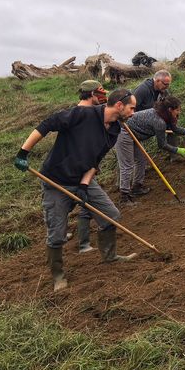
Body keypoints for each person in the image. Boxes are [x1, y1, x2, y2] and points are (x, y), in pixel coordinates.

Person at [13, 89, 138, 292]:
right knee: (57, 233)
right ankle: (58, 276)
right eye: (132, 108)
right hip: (56, 181)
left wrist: (84, 185)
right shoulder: (83, 115)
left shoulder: (114, 130)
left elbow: (95, 161)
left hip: (81, 179)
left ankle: (110, 256)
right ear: (119, 105)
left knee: (111, 215)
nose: (133, 113)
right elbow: (47, 124)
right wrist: (23, 152)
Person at [115, 96, 185, 204]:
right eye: (178, 110)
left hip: (134, 134)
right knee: (127, 165)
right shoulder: (159, 121)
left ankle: (136, 188)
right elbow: (162, 145)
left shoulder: (164, 115)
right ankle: (124, 197)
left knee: (141, 160)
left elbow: (174, 129)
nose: (179, 112)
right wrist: (177, 150)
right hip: (124, 132)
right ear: (170, 109)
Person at [71, 80, 109, 253]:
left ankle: (83, 243)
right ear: (92, 94)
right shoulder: (81, 115)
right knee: (78, 204)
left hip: (86, 166)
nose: (103, 98)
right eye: (100, 95)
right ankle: (80, 243)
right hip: (76, 169)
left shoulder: (92, 112)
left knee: (86, 203)